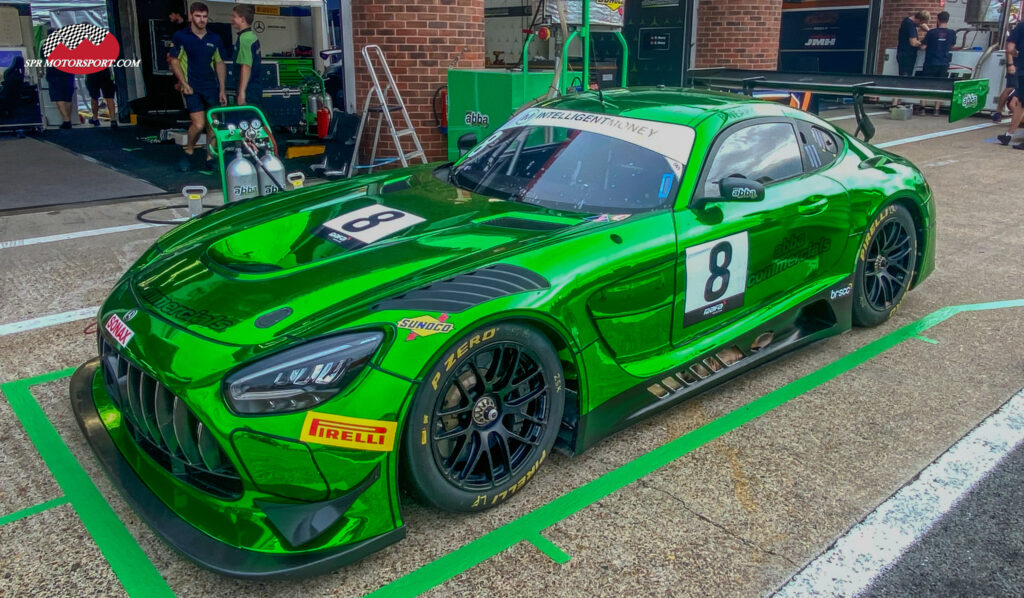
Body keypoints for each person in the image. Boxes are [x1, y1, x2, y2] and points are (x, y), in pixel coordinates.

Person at [168, 1, 227, 171]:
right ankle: (188, 150)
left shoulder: (214, 38)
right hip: (191, 86)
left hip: (211, 86)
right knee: (199, 124)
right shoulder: (181, 36)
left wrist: (222, 89)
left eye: (204, 16)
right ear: (190, 16)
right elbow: (174, 60)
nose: (201, 20)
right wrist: (183, 83)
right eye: (198, 16)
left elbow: (220, 63)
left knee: (213, 125)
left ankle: (210, 157)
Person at [892, 10, 930, 109]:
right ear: (918, 19)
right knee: (903, 79)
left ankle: (897, 103)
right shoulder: (910, 26)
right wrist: (923, 43)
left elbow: (922, 25)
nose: (921, 25)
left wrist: (931, 32)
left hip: (903, 54)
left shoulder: (907, 21)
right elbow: (913, 42)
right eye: (921, 22)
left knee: (903, 78)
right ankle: (894, 104)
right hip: (907, 55)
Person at [921, 11, 956, 115]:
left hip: (930, 62)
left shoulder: (931, 32)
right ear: (947, 20)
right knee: (940, 86)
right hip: (944, 62)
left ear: (938, 20)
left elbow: (923, 46)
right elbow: (952, 46)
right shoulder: (952, 33)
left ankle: (923, 108)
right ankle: (936, 109)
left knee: (925, 85)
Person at [231, 4, 263, 109]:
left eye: (234, 16)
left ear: (242, 19)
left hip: (249, 89)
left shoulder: (245, 39)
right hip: (254, 87)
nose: (232, 19)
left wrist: (242, 93)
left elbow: (246, 66)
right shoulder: (252, 36)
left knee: (247, 121)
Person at [995, 19, 1024, 121]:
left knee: (1016, 91)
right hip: (1016, 66)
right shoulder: (1020, 28)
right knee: (1010, 88)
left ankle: (1015, 115)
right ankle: (998, 111)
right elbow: (1009, 48)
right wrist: (1010, 64)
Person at [45, 64, 75, 129]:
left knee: (58, 96)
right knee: (68, 98)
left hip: (55, 73)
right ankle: (68, 120)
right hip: (68, 71)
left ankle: (66, 121)